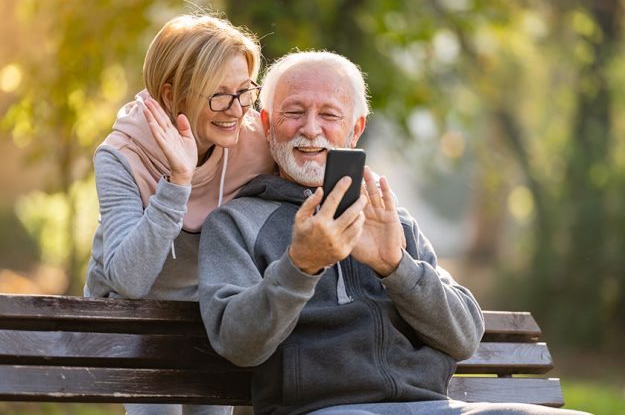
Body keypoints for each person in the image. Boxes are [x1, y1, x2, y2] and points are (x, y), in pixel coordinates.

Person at [196, 51, 591, 415]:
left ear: (355, 129)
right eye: (294, 112)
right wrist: (300, 266)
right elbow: (238, 344)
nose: (311, 129)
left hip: (433, 407)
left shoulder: (391, 219)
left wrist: (396, 266)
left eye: (330, 115)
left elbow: (465, 336)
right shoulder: (236, 223)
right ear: (267, 125)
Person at [84, 12, 274, 415]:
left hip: (207, 309)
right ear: (170, 96)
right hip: (131, 313)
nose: (236, 109)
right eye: (219, 94)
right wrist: (178, 182)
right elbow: (129, 280)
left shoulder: (255, 144)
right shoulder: (122, 155)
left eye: (245, 92)